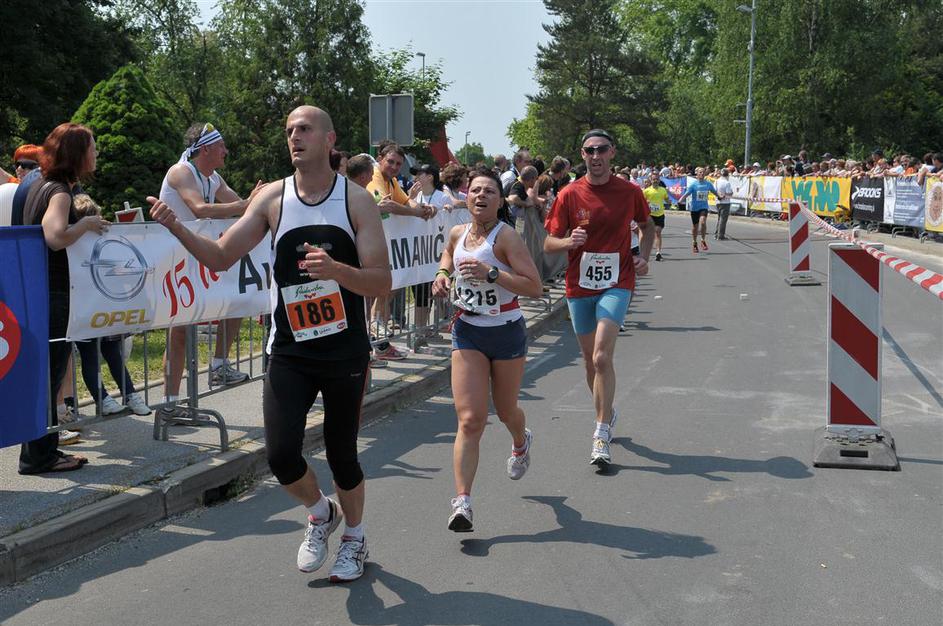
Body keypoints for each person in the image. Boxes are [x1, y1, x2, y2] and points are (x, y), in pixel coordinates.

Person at [148, 105, 391, 583]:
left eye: (305, 129)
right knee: (280, 455)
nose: (294, 137)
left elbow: (381, 280)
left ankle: (355, 537)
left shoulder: (356, 201)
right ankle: (321, 513)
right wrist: (175, 225)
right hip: (289, 350)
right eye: (289, 130)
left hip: (344, 350)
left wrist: (336, 271)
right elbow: (221, 256)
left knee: (343, 454)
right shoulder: (272, 198)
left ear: (328, 138)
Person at [431, 167, 542, 531]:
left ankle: (520, 440)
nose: (481, 196)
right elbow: (447, 255)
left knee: (506, 410)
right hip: (468, 331)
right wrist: (442, 276)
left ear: (499, 200)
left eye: (489, 191)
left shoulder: (506, 237)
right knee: (470, 419)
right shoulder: (458, 232)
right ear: (467, 197)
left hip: (506, 331)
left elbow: (534, 287)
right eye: (475, 190)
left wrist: (491, 273)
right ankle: (462, 502)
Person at [543, 129, 653, 466]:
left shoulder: (629, 192)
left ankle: (600, 432)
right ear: (582, 155)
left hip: (618, 281)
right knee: (590, 361)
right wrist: (568, 242)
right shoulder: (569, 194)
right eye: (589, 151)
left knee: (603, 357)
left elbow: (647, 226)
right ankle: (607, 411)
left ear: (612, 153)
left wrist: (644, 256)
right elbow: (548, 243)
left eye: (601, 149)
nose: (596, 156)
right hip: (579, 285)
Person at [156, 122, 265, 419]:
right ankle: (169, 404)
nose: (226, 151)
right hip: (177, 259)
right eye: (221, 146)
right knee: (180, 331)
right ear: (205, 149)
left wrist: (260, 203)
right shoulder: (181, 171)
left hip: (198, 255)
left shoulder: (212, 177)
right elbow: (200, 208)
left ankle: (218, 366)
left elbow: (241, 207)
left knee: (238, 300)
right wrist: (246, 203)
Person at [16, 123, 108, 474]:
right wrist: (87, 225)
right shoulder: (60, 192)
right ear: (76, 154)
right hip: (55, 292)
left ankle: (43, 451)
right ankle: (39, 456)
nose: (96, 153)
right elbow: (54, 236)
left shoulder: (39, 184)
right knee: (51, 376)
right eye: (92, 147)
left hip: (41, 289)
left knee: (46, 376)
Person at [71, 193, 152, 415]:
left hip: (104, 306)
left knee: (113, 353)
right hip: (83, 309)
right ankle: (102, 399)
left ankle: (130, 394)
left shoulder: (104, 239)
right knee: (89, 356)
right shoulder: (73, 243)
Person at [677, 167, 717, 253]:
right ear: (697, 174)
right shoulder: (693, 185)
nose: (702, 174)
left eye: (703, 172)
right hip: (694, 208)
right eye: (700, 172)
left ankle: (703, 240)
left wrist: (719, 196)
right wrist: (681, 200)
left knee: (703, 222)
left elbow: (714, 191)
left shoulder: (708, 184)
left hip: (704, 207)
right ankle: (694, 242)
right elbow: (686, 194)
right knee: (695, 227)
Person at [642, 172, 667, 261]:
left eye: (657, 179)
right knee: (648, 234)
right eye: (653, 179)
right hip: (650, 215)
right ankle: (644, 251)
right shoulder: (646, 191)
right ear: (651, 180)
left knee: (658, 232)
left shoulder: (663, 190)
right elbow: (641, 202)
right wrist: (646, 203)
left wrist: (669, 201)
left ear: (659, 180)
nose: (655, 181)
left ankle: (658, 252)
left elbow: (666, 199)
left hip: (660, 214)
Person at [713, 168, 733, 240]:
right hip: (725, 202)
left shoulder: (716, 181)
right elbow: (729, 193)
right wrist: (731, 193)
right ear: (727, 175)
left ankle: (716, 234)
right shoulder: (727, 183)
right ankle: (720, 235)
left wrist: (719, 195)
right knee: (723, 219)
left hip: (718, 201)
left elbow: (714, 191)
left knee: (719, 218)